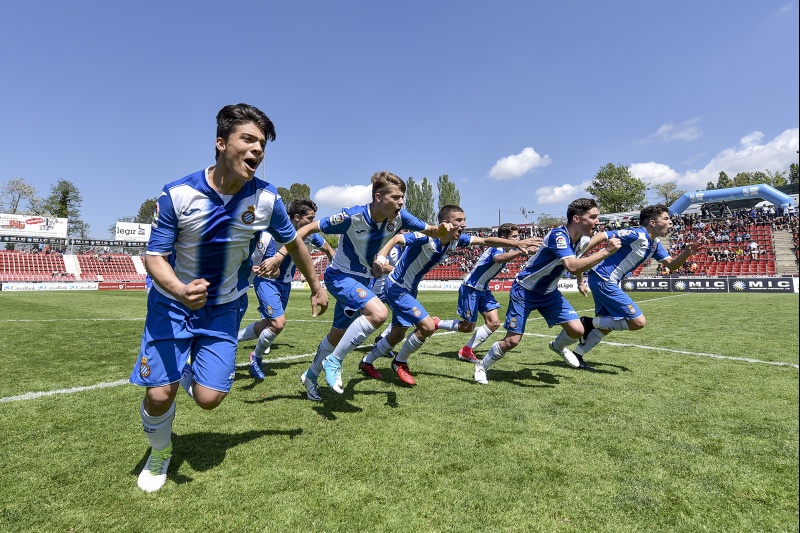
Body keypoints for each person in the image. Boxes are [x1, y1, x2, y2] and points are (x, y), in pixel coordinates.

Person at [129, 103, 328, 493]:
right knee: (159, 393)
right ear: (221, 143)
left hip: (225, 307)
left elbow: (295, 244)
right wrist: (180, 290)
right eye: (248, 140)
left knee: (208, 399)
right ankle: (160, 451)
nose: (257, 150)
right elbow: (154, 255)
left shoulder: (266, 199)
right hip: (171, 303)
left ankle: (187, 372)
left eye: (263, 145)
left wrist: (317, 284)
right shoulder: (178, 194)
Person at [293, 171, 452, 401]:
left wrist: (443, 229)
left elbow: (432, 231)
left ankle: (310, 376)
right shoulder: (351, 217)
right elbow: (307, 229)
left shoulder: (401, 218)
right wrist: (280, 256)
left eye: (402, 197)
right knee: (379, 313)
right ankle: (334, 361)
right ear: (378, 197)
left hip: (364, 281)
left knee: (337, 334)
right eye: (396, 197)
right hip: (340, 277)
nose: (401, 202)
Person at [361, 205, 541, 385]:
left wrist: (516, 243)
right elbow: (397, 238)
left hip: (410, 289)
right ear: (445, 223)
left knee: (397, 334)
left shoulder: (457, 240)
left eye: (464, 220)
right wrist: (381, 259)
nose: (463, 224)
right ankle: (400, 362)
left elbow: (486, 241)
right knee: (427, 327)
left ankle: (367, 362)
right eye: (459, 220)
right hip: (397, 287)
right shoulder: (427, 237)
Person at [473, 198, 620, 385]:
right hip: (524, 291)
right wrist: (606, 252)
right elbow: (572, 265)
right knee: (512, 342)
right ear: (576, 218)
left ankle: (558, 347)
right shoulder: (558, 236)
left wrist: (581, 282)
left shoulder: (583, 240)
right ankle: (481, 366)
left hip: (549, 292)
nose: (597, 221)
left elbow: (579, 263)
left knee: (577, 330)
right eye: (593, 217)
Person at [574, 204, 704, 369]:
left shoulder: (654, 244)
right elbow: (602, 235)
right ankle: (588, 322)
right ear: (652, 222)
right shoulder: (637, 234)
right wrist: (578, 257)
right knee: (638, 322)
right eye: (666, 218)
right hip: (603, 279)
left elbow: (671, 265)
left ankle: (577, 354)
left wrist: (687, 252)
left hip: (605, 280)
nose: (670, 222)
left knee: (607, 325)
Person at [238, 198, 335, 379]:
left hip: (286, 284)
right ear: (296, 217)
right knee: (278, 323)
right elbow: (251, 251)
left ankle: (232, 339)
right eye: (310, 218)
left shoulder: (310, 234)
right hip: (266, 281)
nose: (313, 223)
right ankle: (256, 358)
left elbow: (329, 250)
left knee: (266, 325)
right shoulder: (271, 231)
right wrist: (250, 266)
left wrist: (335, 270)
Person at [434, 223, 528, 363]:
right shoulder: (497, 247)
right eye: (514, 237)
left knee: (494, 322)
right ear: (503, 238)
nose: (518, 239)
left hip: (483, 288)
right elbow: (498, 259)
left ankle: (467, 350)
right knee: (467, 327)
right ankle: (437, 323)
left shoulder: (507, 249)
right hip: (471, 287)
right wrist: (521, 251)